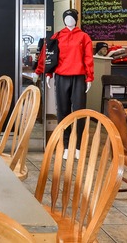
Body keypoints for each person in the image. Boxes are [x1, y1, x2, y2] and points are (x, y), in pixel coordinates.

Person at [35, 9, 94, 159]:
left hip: (79, 77)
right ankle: (67, 145)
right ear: (63, 20)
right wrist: (47, 73)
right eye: (66, 18)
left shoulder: (84, 36)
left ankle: (79, 146)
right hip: (61, 76)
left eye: (71, 18)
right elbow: (50, 57)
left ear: (76, 20)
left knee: (79, 112)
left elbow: (88, 58)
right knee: (62, 111)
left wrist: (89, 78)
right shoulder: (57, 36)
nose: (69, 20)